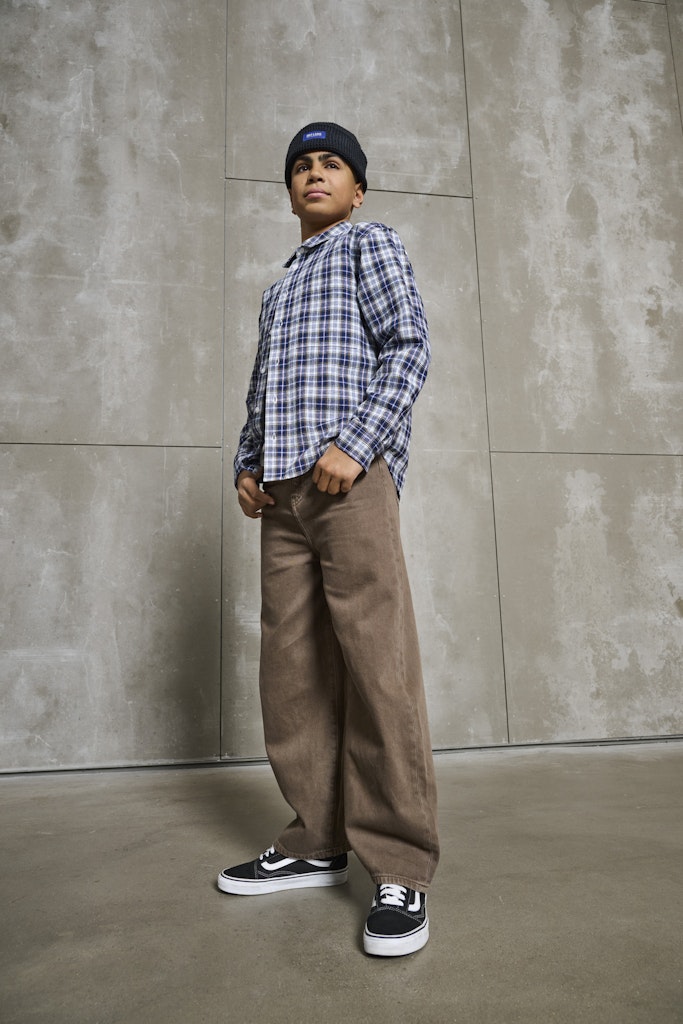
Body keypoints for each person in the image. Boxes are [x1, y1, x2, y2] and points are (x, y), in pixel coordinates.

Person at [218, 122, 439, 957]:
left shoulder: (367, 245)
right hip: (281, 494)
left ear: (356, 189)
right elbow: (262, 387)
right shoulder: (279, 288)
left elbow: (408, 348)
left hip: (348, 481)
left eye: (331, 164)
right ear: (289, 191)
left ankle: (401, 865)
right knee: (293, 671)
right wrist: (246, 463)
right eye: (300, 166)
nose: (313, 174)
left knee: (377, 667)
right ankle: (315, 840)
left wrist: (356, 442)